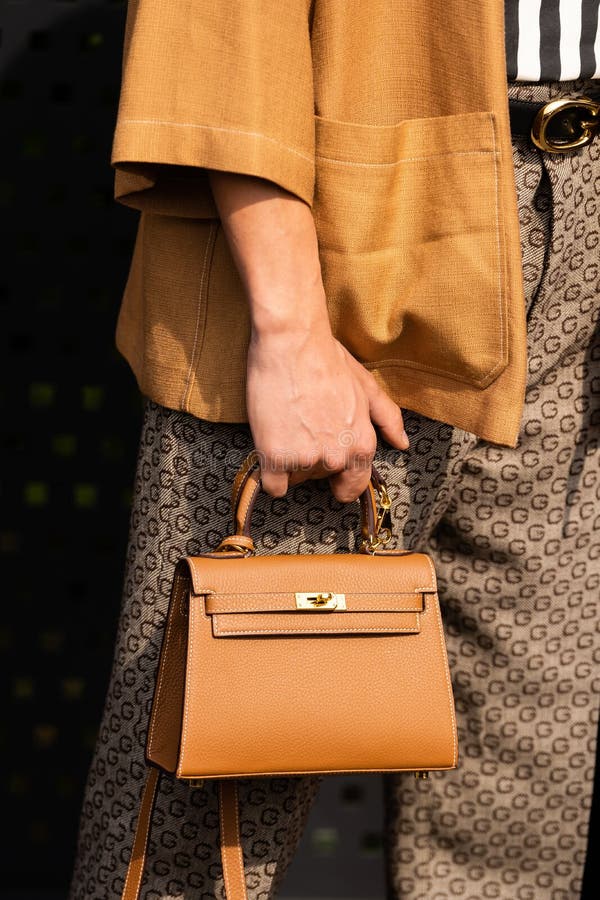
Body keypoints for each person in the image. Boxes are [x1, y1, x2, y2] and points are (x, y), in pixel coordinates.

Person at [69, 1, 599, 897]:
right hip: (337, 236)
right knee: (220, 784)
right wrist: (289, 329)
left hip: (576, 215)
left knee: (528, 768)